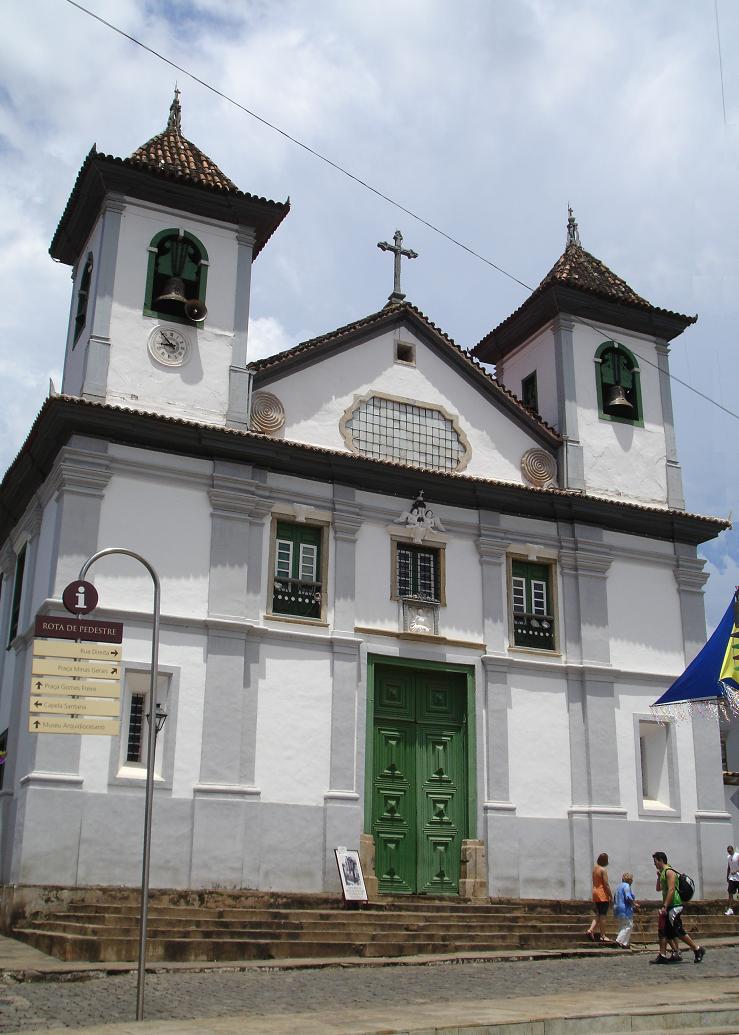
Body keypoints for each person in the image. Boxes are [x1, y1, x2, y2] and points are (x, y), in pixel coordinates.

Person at [650, 851, 705, 964]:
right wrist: (658, 877)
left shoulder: (669, 872)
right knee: (664, 931)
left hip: (674, 905)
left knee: (678, 930)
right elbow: (658, 888)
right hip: (669, 905)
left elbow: (671, 889)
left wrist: (665, 906)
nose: (654, 864)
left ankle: (697, 949)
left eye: (655, 861)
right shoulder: (663, 872)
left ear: (661, 860)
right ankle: (663, 955)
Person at [586, 852, 612, 942]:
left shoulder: (595, 869)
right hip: (602, 894)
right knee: (603, 915)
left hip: (595, 893)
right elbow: (606, 884)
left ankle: (590, 929)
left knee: (598, 914)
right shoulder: (603, 870)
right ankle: (603, 935)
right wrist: (610, 895)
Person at [613, 872, 638, 948]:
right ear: (629, 880)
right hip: (625, 909)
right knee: (629, 925)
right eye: (632, 879)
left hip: (617, 908)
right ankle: (619, 940)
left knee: (622, 925)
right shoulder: (626, 886)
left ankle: (624, 943)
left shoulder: (618, 887)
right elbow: (628, 897)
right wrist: (634, 904)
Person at [725, 845, 739, 914]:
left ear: (732, 849)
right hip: (732, 878)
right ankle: (730, 909)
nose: (729, 852)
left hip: (738, 877)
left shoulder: (737, 855)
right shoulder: (728, 857)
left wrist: (736, 871)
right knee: (730, 893)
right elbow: (729, 867)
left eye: (730, 851)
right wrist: (727, 876)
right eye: (728, 851)